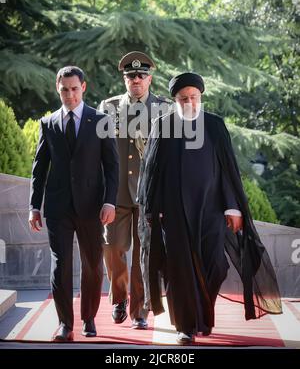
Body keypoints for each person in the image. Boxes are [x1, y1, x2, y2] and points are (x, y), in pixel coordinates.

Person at [137, 72, 282, 345]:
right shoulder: (163, 124)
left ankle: (202, 313)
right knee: (179, 270)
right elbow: (151, 170)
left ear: (200, 97)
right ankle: (185, 326)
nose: (189, 102)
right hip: (174, 211)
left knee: (216, 264)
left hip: (212, 209)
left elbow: (229, 170)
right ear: (175, 100)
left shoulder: (215, 125)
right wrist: (151, 208)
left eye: (194, 97)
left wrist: (233, 207)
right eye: (183, 98)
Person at [29, 66, 119, 342]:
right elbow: (39, 167)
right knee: (61, 264)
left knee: (93, 265)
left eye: (74, 89)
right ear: (58, 89)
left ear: (84, 87)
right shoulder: (48, 123)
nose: (69, 95)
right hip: (58, 208)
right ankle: (65, 324)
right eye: (64, 90)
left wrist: (109, 202)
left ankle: (89, 318)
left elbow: (112, 166)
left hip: (93, 207)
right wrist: (34, 205)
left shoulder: (100, 120)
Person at [100, 51, 170, 329]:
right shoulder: (109, 107)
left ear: (149, 79)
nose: (136, 80)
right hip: (116, 194)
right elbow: (101, 153)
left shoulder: (164, 109)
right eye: (131, 76)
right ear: (125, 79)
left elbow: (168, 157)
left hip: (149, 195)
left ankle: (140, 310)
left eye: (141, 76)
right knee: (113, 247)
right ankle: (119, 296)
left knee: (145, 253)